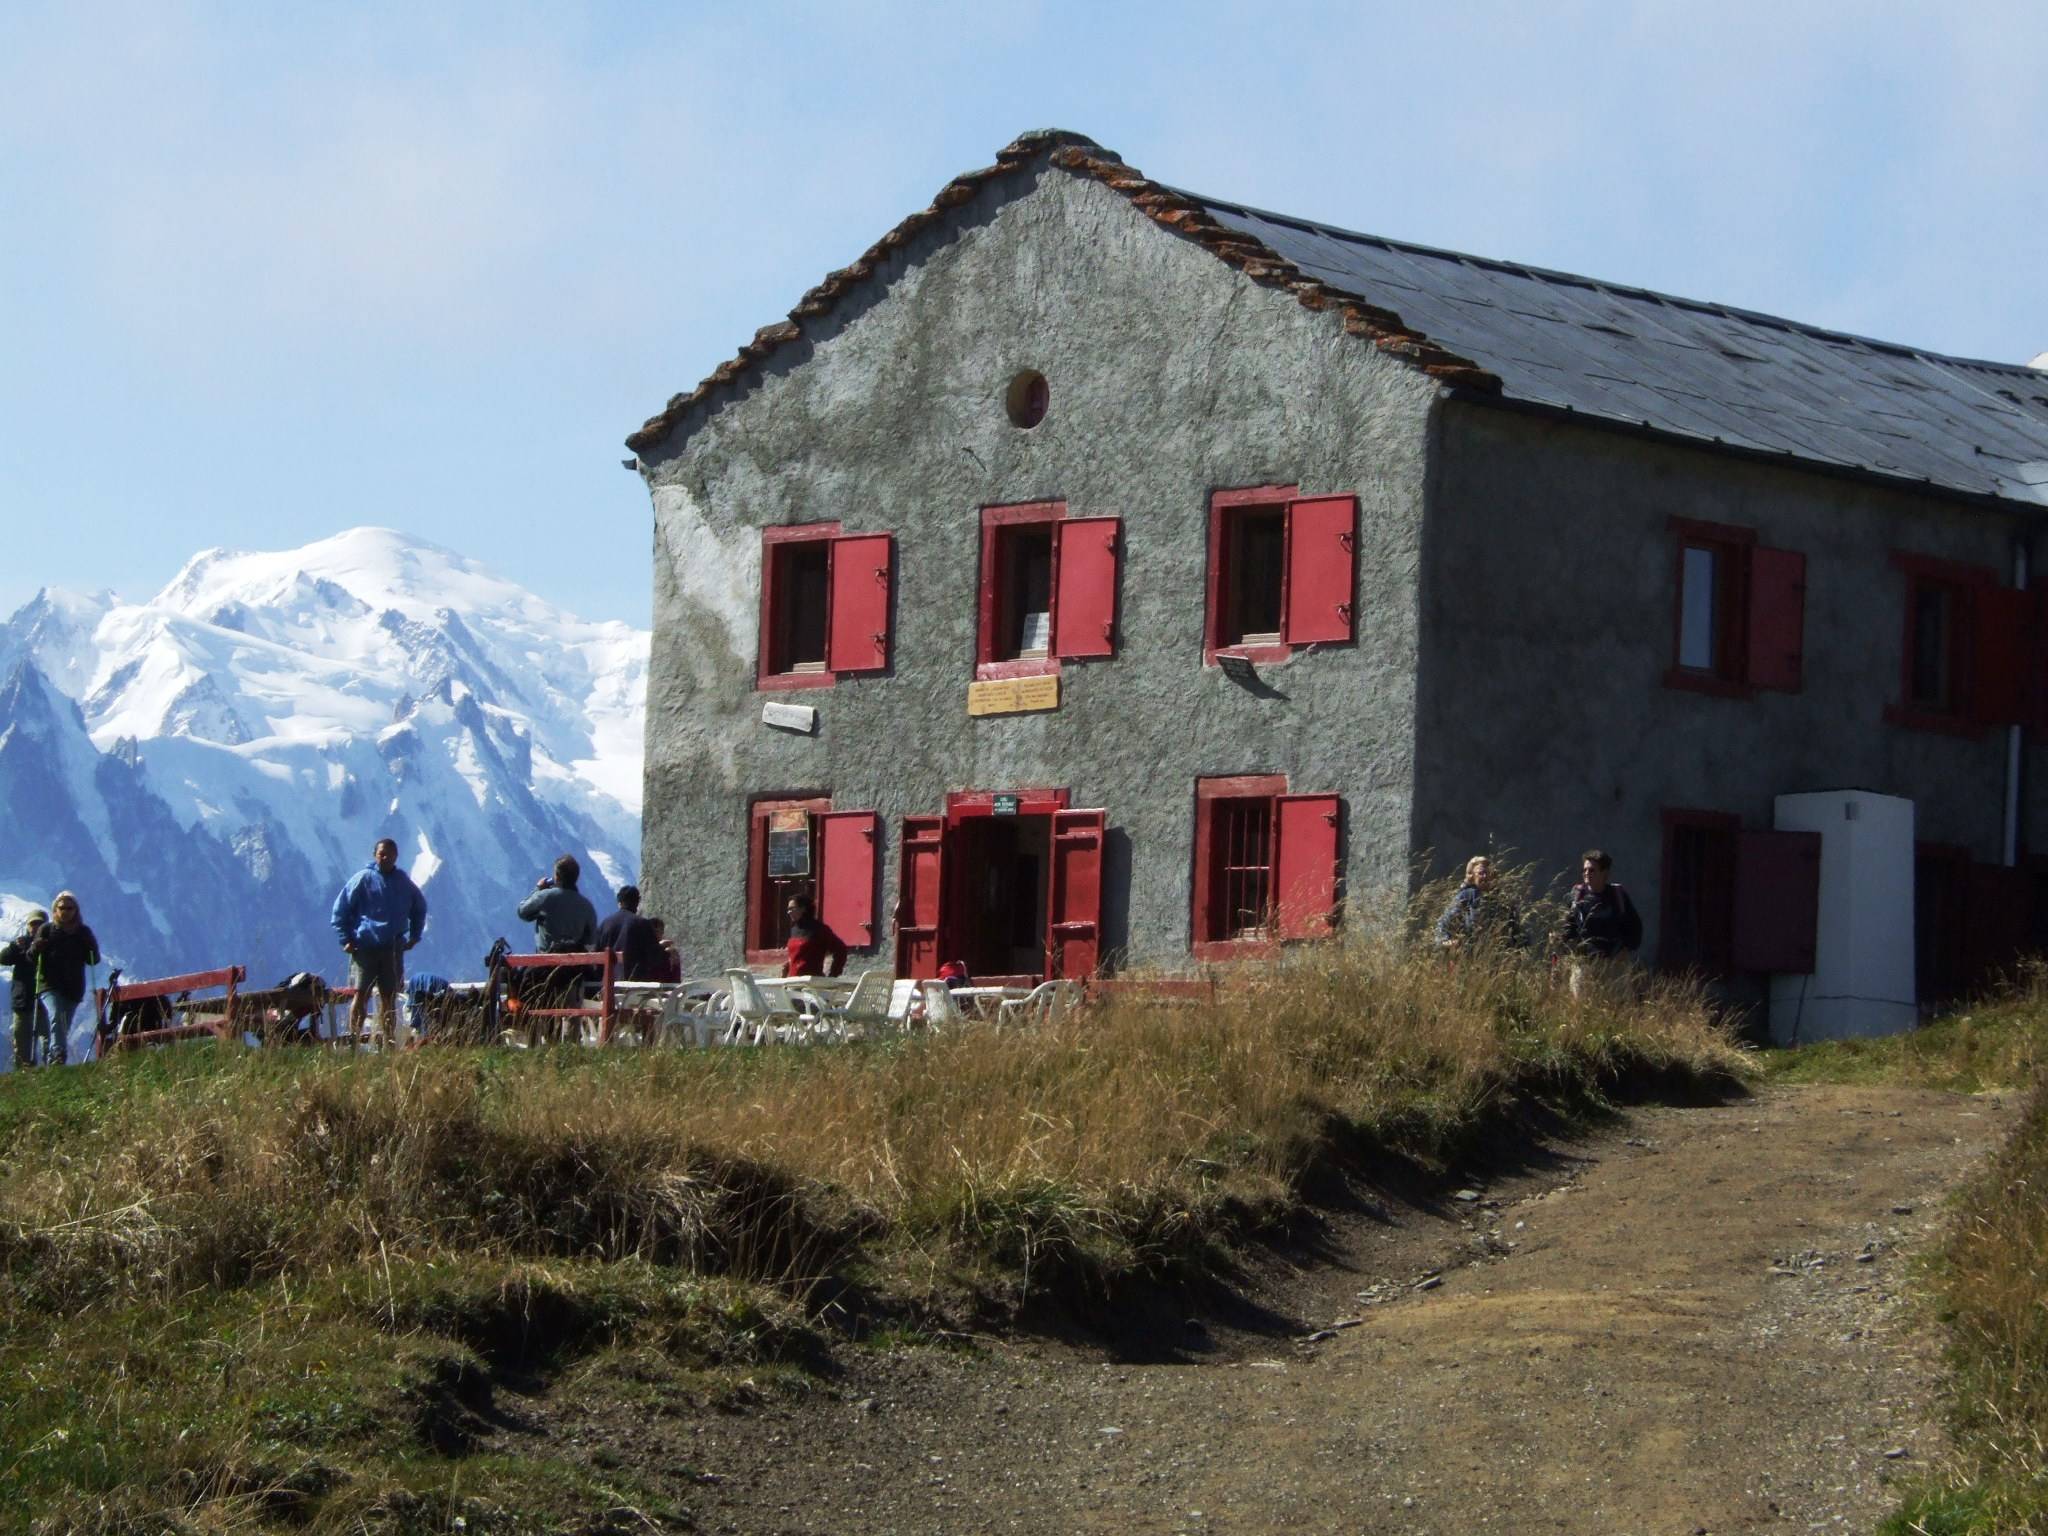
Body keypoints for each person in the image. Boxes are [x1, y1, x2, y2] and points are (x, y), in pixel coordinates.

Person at [331, 837, 428, 1045]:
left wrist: (414, 935)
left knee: (389, 997)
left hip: (392, 948)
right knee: (360, 995)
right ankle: (354, 1040)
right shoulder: (363, 879)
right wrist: (345, 938)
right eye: (382, 853)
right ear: (375, 855)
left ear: (396, 856)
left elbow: (419, 907)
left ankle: (389, 1040)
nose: (385, 857)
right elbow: (340, 910)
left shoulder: (403, 883)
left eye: (390, 854)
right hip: (364, 947)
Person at [29, 892, 102, 1066]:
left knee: (63, 1023)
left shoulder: (83, 932)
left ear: (76, 910)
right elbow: (32, 956)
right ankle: (57, 1055)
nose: (66, 912)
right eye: (62, 908)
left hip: (73, 987)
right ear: (55, 909)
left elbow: (94, 960)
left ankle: (54, 1058)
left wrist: (90, 946)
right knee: (56, 1015)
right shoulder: (46, 930)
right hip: (49, 984)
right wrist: (35, 947)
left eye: (70, 908)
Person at [1560, 848, 1643, 994]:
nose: (1586, 873)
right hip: (1584, 965)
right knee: (1581, 1012)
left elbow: (1635, 927)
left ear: (1604, 873)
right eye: (1584, 870)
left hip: (1614, 966)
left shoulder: (1618, 896)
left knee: (1615, 1010)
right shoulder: (1576, 896)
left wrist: (1625, 950)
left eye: (1592, 870)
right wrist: (1563, 943)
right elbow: (1568, 928)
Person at [516, 854, 599, 954]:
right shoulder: (587, 906)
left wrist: (538, 889)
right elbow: (591, 940)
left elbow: (522, 911)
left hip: (545, 963)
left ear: (556, 877)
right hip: (575, 965)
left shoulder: (546, 896)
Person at [0, 908, 48, 1070]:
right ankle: (24, 1071)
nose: (35, 928)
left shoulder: (51, 945)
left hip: (45, 1000)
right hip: (22, 1000)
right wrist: (14, 947)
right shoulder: (20, 945)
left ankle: (53, 1067)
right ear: (28, 926)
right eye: (33, 924)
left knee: (47, 1036)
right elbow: (3, 958)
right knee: (21, 1041)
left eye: (39, 924)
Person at [1435, 855, 1518, 948]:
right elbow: (1445, 922)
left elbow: (1515, 928)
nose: (1485, 876)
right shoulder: (1466, 896)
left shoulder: (1501, 898)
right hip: (1471, 952)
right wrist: (1446, 942)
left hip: (1498, 953)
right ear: (1472, 876)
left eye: (1488, 873)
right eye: (1481, 873)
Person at [593, 884, 664, 982]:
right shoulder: (643, 924)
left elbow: (596, 956)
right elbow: (655, 957)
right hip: (634, 984)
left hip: (607, 982)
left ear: (619, 902)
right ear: (638, 902)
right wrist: (665, 950)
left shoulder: (605, 924)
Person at [783, 893, 847, 978]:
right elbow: (797, 955)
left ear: (803, 908)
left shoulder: (819, 929)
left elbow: (841, 949)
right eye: (788, 909)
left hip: (812, 982)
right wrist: (787, 966)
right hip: (793, 981)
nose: (789, 912)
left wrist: (833, 974)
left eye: (792, 908)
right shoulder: (794, 929)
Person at [648, 918, 684, 984]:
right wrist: (659, 947)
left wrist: (676, 963)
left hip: (665, 986)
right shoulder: (645, 950)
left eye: (660, 931)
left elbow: (675, 979)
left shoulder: (668, 951)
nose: (657, 935)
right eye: (655, 931)